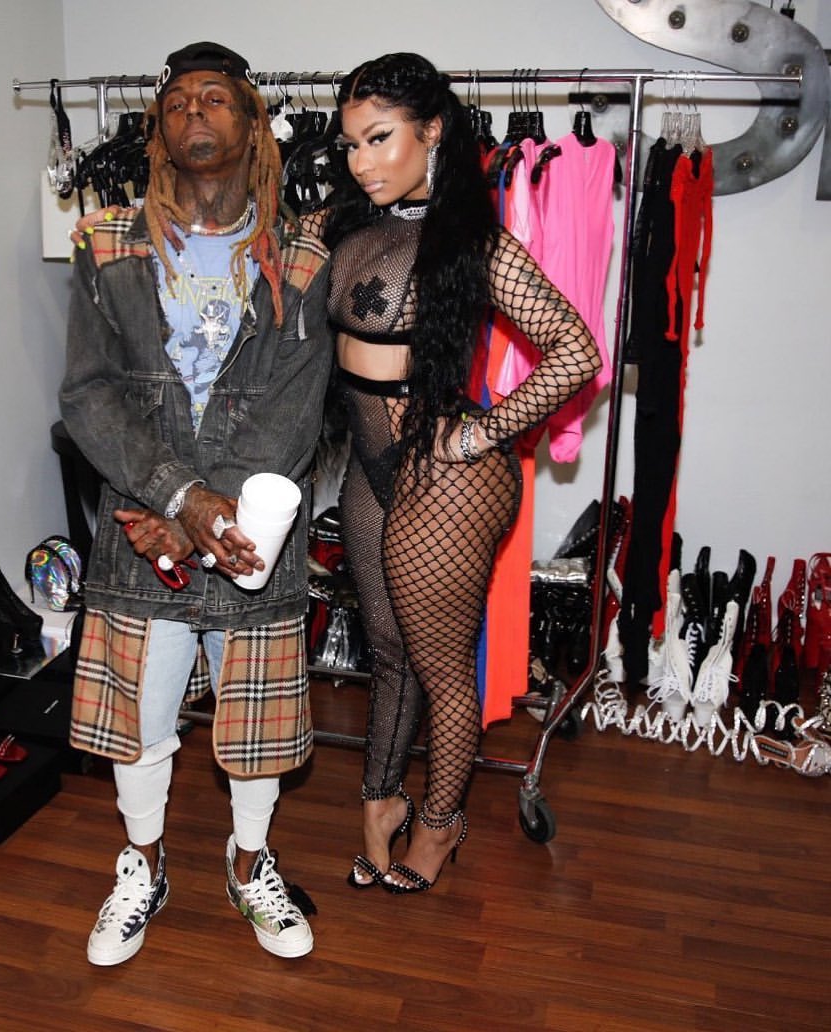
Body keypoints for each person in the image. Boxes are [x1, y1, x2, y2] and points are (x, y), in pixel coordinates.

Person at [59, 41, 333, 964]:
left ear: (253, 125)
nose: (194, 114)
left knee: (254, 722)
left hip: (254, 529)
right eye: (176, 103)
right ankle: (142, 864)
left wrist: (216, 519)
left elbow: (298, 407)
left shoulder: (304, 253)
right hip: (145, 522)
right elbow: (88, 393)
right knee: (139, 717)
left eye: (215, 98)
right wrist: (178, 497)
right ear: (156, 132)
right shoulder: (105, 242)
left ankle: (250, 864)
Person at [320, 53, 602, 893]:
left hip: (446, 481)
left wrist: (483, 431)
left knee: (441, 668)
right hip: (371, 464)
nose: (362, 161)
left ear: (433, 130)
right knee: (387, 651)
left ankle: (441, 825)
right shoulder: (352, 226)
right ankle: (380, 805)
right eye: (351, 145)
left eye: (379, 138)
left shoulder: (475, 241)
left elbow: (576, 350)